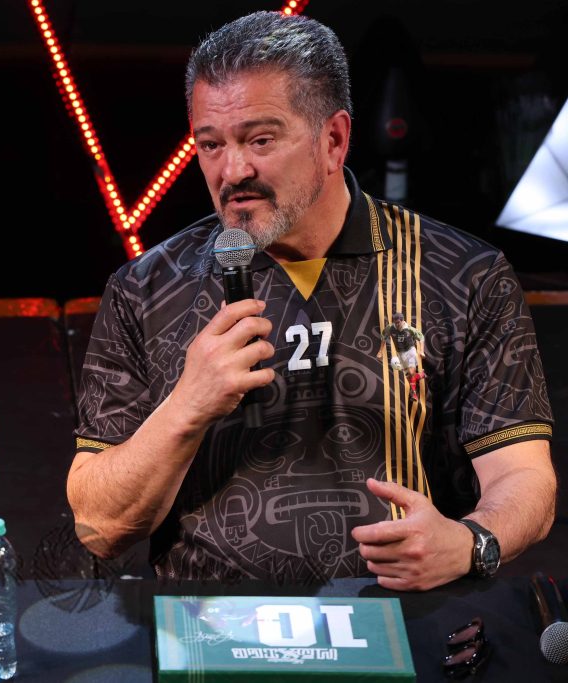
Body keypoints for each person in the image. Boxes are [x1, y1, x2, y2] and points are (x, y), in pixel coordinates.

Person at [69, 12, 555, 590]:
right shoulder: (146, 289)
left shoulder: (465, 275)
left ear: (334, 140)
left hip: (405, 617)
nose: (233, 170)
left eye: (261, 139)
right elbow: (98, 527)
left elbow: (525, 477)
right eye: (211, 144)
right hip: (210, 622)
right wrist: (187, 406)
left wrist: (472, 542)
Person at [379, 312, 426, 400]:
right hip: (400, 353)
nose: (397, 325)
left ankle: (414, 392)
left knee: (411, 372)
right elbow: (383, 336)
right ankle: (420, 377)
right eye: (395, 322)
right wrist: (380, 351)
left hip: (410, 351)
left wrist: (422, 351)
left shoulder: (409, 329)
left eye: (398, 323)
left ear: (403, 321)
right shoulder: (390, 328)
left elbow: (421, 337)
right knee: (408, 376)